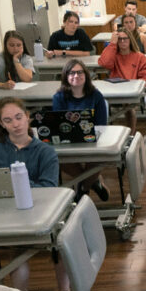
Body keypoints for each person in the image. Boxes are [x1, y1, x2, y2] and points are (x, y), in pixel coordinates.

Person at [0, 98, 82, 291]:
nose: (15, 124)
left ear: (27, 117)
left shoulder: (45, 151)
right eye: (8, 120)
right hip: (2, 213)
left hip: (40, 210)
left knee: (61, 237)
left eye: (18, 117)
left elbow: (49, 188)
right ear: (1, 124)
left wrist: (10, 182)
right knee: (19, 248)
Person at [52, 60, 111, 201]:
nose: (76, 76)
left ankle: (83, 189)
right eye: (72, 73)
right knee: (59, 159)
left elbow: (101, 124)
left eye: (80, 72)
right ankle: (93, 181)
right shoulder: (59, 97)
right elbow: (59, 123)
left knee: (98, 160)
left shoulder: (96, 96)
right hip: (69, 140)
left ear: (86, 75)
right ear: (66, 76)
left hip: (93, 140)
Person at [97, 28, 146, 129]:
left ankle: (131, 134)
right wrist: (112, 44)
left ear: (130, 39)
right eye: (119, 39)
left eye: (125, 39)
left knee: (129, 107)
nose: (122, 41)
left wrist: (139, 89)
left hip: (132, 92)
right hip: (114, 90)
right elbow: (103, 63)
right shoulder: (114, 56)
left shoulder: (140, 57)